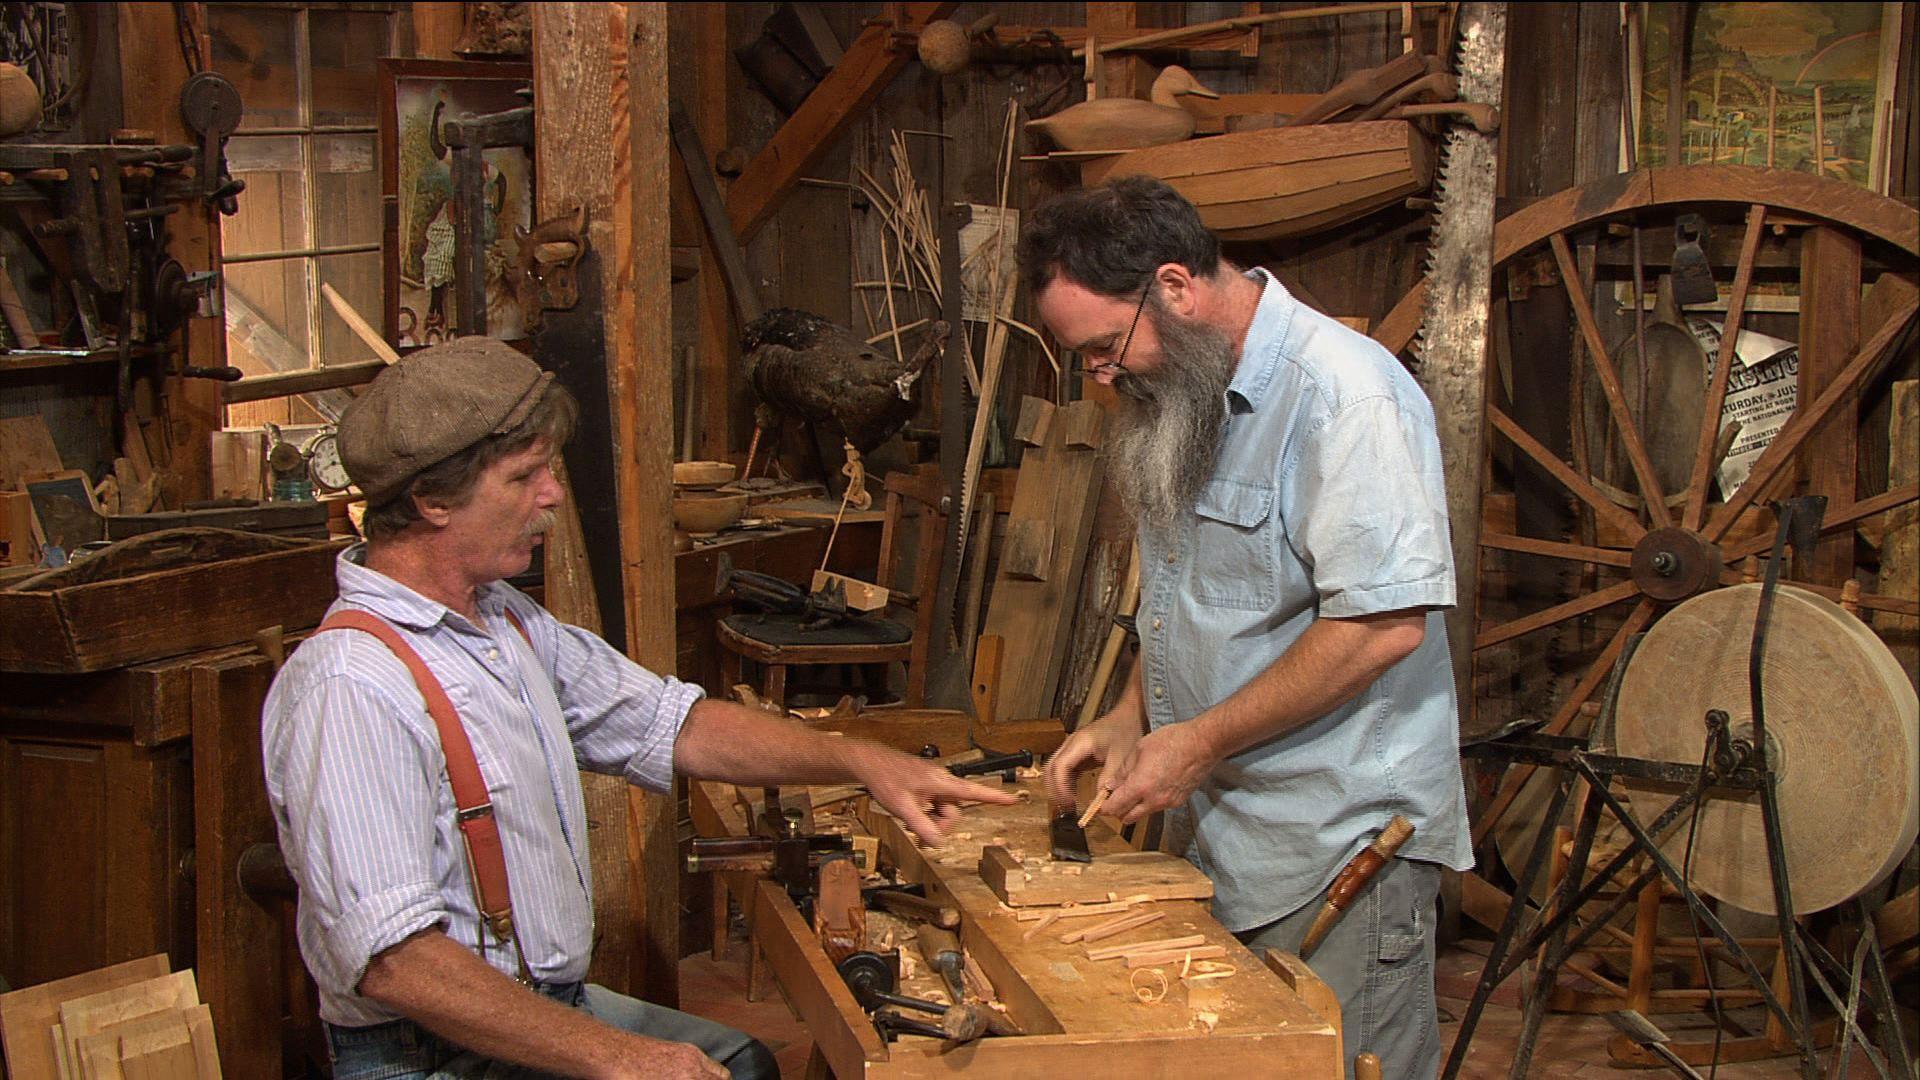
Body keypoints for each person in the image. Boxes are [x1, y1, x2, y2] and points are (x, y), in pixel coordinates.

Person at [261, 337, 1016, 1080]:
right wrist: (617, 1056)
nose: (551, 494)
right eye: (524, 476)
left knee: (743, 1061)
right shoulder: (353, 687)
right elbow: (396, 966)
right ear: (430, 501)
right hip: (434, 1049)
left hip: (535, 1001)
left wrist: (858, 760)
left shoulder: (503, 624)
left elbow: (674, 722)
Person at [1024, 177, 1472, 1078]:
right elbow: (1196, 593)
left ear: (1177, 286)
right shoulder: (1187, 393)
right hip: (1229, 831)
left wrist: (1199, 743)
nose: (1101, 376)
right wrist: (1132, 715)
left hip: (1340, 842)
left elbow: (1383, 626)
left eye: (1107, 347)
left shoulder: (1346, 399)